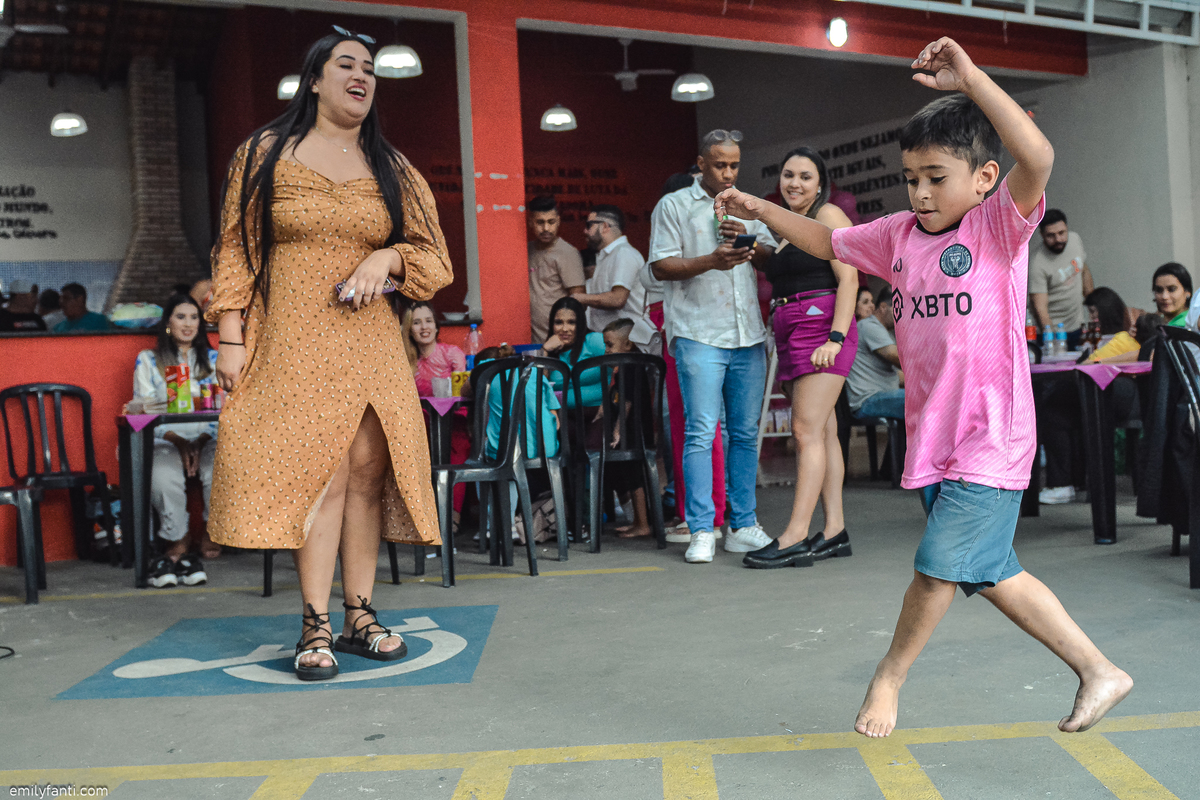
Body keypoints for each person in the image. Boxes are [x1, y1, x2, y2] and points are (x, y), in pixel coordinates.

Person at [716, 37, 1131, 738]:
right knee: (992, 572)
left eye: (937, 177)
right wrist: (762, 210)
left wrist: (970, 80)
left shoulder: (999, 226)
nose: (921, 193)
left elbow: (1041, 157)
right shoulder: (900, 236)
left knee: (937, 570)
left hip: (990, 439)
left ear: (982, 178)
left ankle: (889, 677)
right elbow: (825, 244)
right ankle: (1099, 670)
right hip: (935, 437)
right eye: (911, 178)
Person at [206, 28, 453, 681]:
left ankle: (359, 615)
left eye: (370, 69)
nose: (362, 76)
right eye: (347, 64)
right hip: (291, 336)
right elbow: (235, 250)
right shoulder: (264, 154)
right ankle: (314, 622)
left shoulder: (391, 166)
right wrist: (230, 338)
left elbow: (434, 259)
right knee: (319, 473)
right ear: (314, 79)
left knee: (367, 474)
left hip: (370, 340)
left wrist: (388, 254)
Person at [649, 128, 779, 564]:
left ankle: (743, 525)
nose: (727, 172)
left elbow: (770, 260)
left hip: (748, 335)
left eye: (734, 165)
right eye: (719, 164)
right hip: (698, 333)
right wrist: (710, 260)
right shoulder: (674, 205)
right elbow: (661, 267)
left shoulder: (748, 205)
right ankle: (702, 529)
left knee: (744, 434)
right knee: (703, 432)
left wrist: (750, 237)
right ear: (701, 163)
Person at [744, 146, 859, 569]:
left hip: (819, 328)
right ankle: (834, 532)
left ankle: (794, 535)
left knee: (805, 432)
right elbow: (784, 269)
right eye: (788, 175)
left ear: (820, 182)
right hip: (790, 330)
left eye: (805, 176)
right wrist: (757, 251)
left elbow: (850, 278)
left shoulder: (828, 215)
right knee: (823, 433)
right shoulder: (788, 226)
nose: (794, 183)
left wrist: (836, 337)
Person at [132, 294, 219, 586]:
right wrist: (181, 442)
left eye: (194, 317)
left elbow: (227, 409)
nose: (188, 323)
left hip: (210, 435)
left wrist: (201, 439)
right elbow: (143, 410)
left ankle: (212, 530)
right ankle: (178, 537)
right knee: (163, 473)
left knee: (220, 465)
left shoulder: (216, 359)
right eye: (181, 316)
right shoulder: (148, 360)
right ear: (168, 322)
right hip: (166, 437)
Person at [408, 301, 469, 528]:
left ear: (436, 326)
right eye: (416, 322)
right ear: (409, 328)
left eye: (428, 320)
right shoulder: (408, 361)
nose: (424, 327)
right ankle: (424, 520)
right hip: (423, 424)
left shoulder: (452, 353)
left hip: (455, 419)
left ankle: (451, 517)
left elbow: (461, 392)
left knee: (456, 446)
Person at [600, 318, 653, 540]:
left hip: (635, 432)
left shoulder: (630, 368)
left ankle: (642, 523)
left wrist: (618, 430)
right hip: (632, 431)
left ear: (628, 344)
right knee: (629, 475)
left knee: (635, 477)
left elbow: (628, 402)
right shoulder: (622, 369)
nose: (606, 350)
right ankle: (636, 521)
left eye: (610, 345)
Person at [574, 205, 655, 350]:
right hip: (610, 342)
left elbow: (618, 299)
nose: (584, 231)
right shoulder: (607, 255)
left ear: (605, 226)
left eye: (589, 225)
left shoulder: (624, 254)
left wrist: (579, 298)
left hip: (627, 343)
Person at [1028, 209, 1093, 349]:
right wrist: (1052, 340)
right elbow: (1040, 308)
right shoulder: (1037, 263)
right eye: (1051, 235)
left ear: (1067, 229)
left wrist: (1091, 300)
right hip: (1054, 334)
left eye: (1062, 233)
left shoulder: (1075, 240)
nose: (1058, 239)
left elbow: (1083, 269)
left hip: (1078, 325)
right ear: (1042, 235)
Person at [527, 195, 585, 343]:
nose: (546, 228)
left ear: (558, 221)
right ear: (530, 222)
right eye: (540, 222)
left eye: (551, 222)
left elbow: (579, 301)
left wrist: (565, 335)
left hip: (559, 339)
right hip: (532, 337)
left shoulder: (567, 253)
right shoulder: (526, 250)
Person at [847, 287, 904, 422]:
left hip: (880, 396)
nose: (902, 314)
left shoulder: (883, 331)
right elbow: (899, 359)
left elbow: (901, 375)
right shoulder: (869, 326)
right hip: (869, 400)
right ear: (884, 307)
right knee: (920, 400)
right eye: (899, 308)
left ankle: (901, 444)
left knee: (926, 396)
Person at [543, 296, 606, 409]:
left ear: (580, 323)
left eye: (571, 322)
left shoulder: (593, 341)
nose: (565, 328)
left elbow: (620, 368)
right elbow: (540, 389)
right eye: (558, 322)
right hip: (563, 415)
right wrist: (545, 350)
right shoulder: (550, 351)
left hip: (599, 412)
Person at [1152, 262, 1192, 328]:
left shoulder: (1193, 325)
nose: (1164, 296)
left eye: (1172, 290)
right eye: (1159, 290)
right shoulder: (1153, 325)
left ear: (1187, 292)